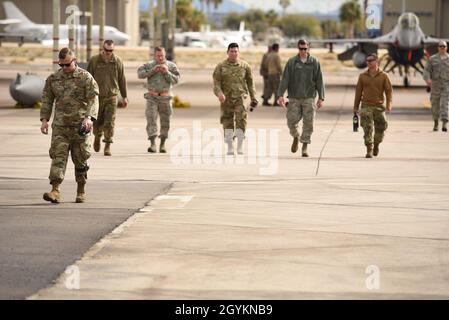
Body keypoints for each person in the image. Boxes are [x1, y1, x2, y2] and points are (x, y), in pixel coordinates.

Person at [40, 48, 99, 203]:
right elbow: (47, 99)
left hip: (80, 127)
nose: (64, 68)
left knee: (80, 159)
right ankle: (55, 190)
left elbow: (93, 98)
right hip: (60, 126)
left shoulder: (85, 77)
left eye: (67, 65)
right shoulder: (54, 78)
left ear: (74, 60)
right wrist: (44, 120)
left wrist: (89, 118)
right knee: (58, 157)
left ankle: (81, 190)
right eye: (62, 65)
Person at [277, 39, 325, 157]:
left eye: (305, 49)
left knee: (309, 123)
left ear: (308, 48)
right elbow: (285, 79)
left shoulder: (314, 62)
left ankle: (304, 146)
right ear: (298, 48)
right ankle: (295, 136)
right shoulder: (292, 62)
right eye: (301, 49)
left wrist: (321, 98)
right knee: (291, 121)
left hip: (309, 97)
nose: (303, 51)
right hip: (294, 97)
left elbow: (319, 80)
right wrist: (280, 95)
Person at [213, 42, 258, 155]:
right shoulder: (220, 66)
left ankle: (240, 145)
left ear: (238, 52)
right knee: (227, 122)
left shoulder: (245, 66)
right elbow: (216, 84)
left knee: (241, 121)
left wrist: (253, 97)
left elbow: (250, 83)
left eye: (235, 51)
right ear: (228, 52)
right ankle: (230, 146)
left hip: (241, 98)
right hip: (226, 99)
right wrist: (219, 94)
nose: (234, 54)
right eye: (231, 51)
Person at [87, 39, 128, 156]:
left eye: (111, 50)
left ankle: (108, 145)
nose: (109, 52)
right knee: (96, 122)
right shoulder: (95, 60)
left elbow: (122, 80)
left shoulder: (118, 61)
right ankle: (97, 137)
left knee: (110, 122)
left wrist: (125, 96)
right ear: (102, 49)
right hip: (97, 97)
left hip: (112, 96)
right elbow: (88, 78)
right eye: (106, 50)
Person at [137, 47, 180, 153]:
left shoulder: (171, 66)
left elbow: (176, 79)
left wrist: (166, 72)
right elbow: (140, 74)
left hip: (165, 98)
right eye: (158, 56)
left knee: (165, 121)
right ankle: (152, 144)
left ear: (165, 55)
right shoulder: (149, 65)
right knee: (151, 119)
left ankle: (162, 144)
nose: (160, 58)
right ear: (154, 55)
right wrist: (152, 71)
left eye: (162, 55)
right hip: (152, 97)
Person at [354, 53, 393, 158]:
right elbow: (358, 92)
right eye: (367, 61)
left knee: (382, 126)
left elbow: (389, 91)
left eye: (371, 60)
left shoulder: (384, 76)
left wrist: (389, 105)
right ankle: (369, 149)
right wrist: (356, 107)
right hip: (366, 105)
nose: (368, 62)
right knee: (367, 128)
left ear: (376, 62)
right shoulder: (362, 76)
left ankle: (376, 144)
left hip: (379, 106)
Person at [423, 40, 449, 132]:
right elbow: (426, 70)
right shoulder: (432, 59)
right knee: (435, 104)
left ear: (446, 48)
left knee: (445, 104)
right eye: (440, 46)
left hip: (446, 85)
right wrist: (428, 79)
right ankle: (436, 122)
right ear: (438, 48)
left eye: (444, 46)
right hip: (435, 85)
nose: (442, 48)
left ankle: (445, 123)